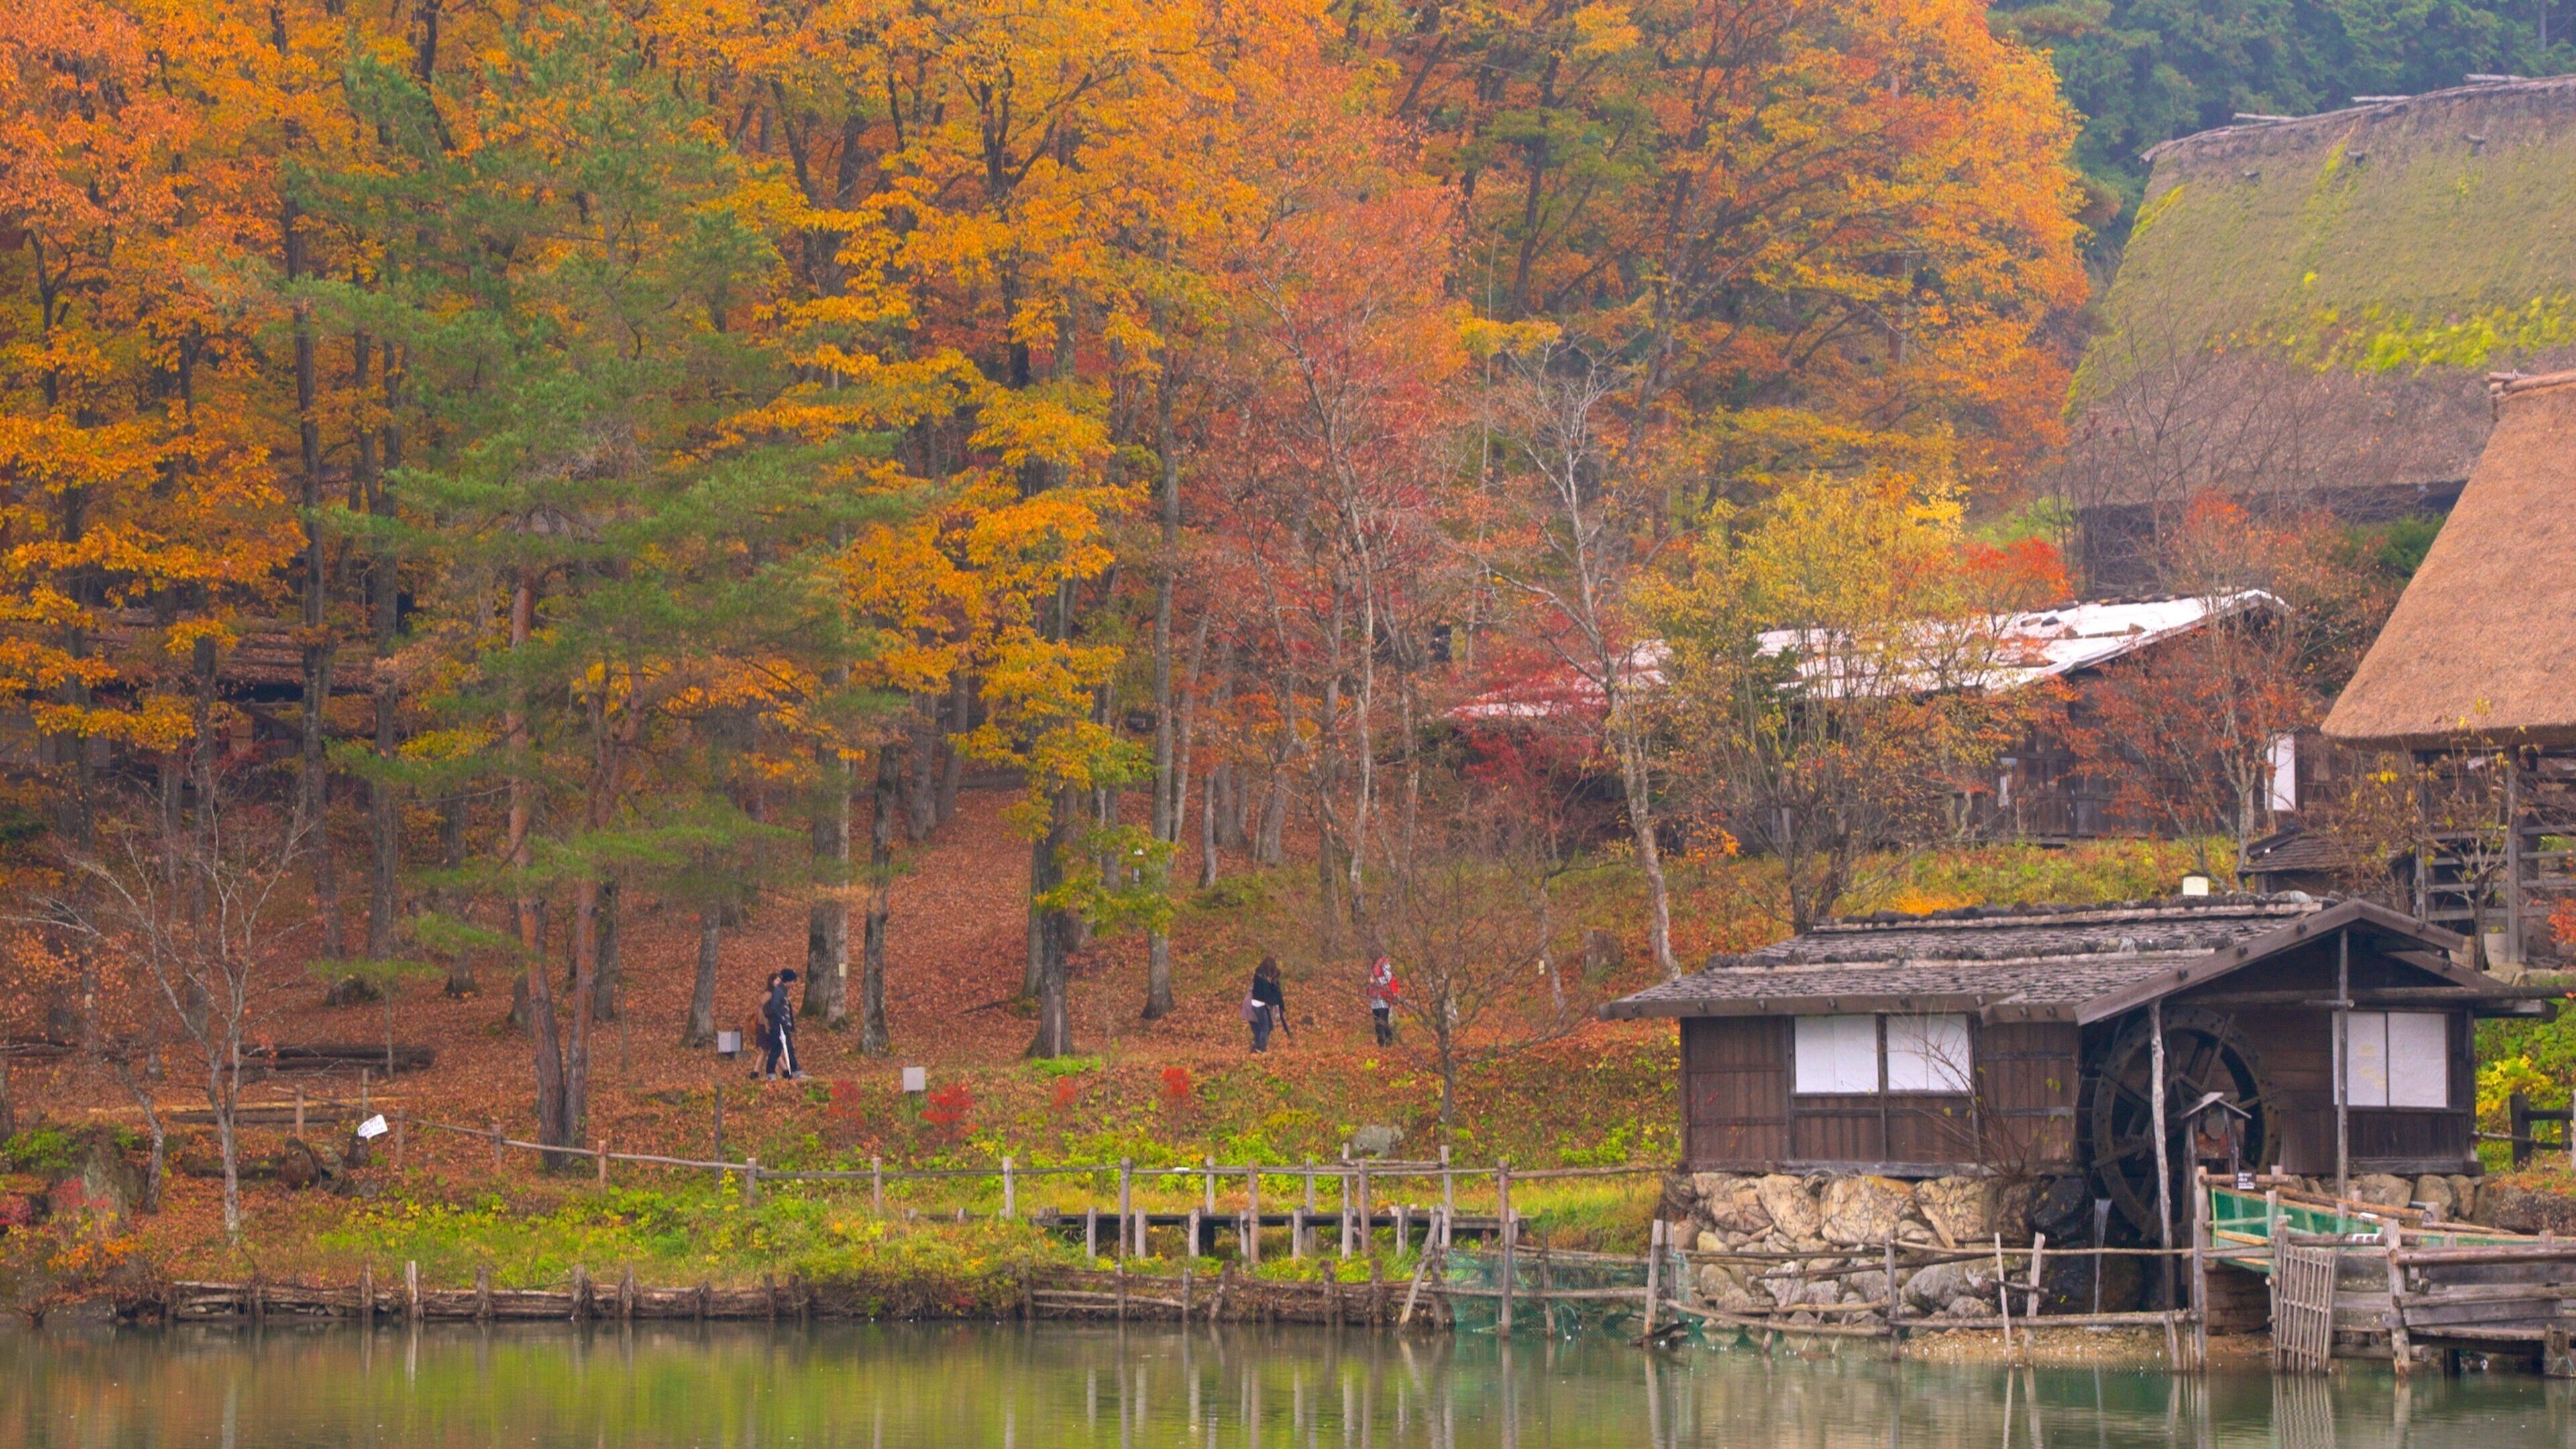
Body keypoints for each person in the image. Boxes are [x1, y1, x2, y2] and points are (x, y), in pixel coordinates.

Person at [759, 969, 801, 1080]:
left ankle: (794, 1070)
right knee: (776, 1049)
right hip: (778, 1026)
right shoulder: (779, 992)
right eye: (793, 981)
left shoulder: (782, 991)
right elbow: (774, 1008)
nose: (794, 984)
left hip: (783, 1026)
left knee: (788, 1048)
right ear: (788, 981)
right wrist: (782, 1020)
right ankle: (771, 1073)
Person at [1244, 955, 1290, 1053]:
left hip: (1258, 1004)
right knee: (1265, 1028)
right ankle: (1261, 1048)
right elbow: (1266, 995)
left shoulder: (1259, 976)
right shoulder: (1262, 979)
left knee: (1267, 1027)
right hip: (1259, 1005)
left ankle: (1258, 1045)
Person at [1366, 955, 1399, 1045]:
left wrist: (1375, 981)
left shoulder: (1384, 963)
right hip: (1374, 997)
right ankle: (1380, 1043)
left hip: (1383, 995)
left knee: (1384, 1020)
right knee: (1377, 1021)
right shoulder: (1372, 963)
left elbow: (1388, 978)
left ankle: (1389, 1042)